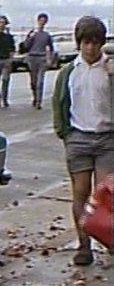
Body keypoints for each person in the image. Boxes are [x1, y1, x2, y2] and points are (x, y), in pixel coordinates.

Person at [52, 15, 113, 266]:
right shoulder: (69, 72)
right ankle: (83, 245)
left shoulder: (109, 69)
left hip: (107, 138)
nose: (90, 48)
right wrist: (65, 134)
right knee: (80, 192)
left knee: (106, 195)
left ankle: (109, 240)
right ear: (79, 44)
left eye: (95, 43)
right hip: (78, 137)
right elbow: (59, 104)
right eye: (86, 42)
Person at [24, 12, 55, 109]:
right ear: (38, 21)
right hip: (32, 57)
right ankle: (35, 96)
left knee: (40, 81)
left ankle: (38, 101)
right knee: (33, 81)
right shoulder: (32, 33)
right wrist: (30, 37)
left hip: (42, 58)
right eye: (41, 21)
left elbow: (51, 48)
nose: (42, 23)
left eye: (44, 21)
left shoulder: (47, 35)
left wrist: (49, 59)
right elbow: (26, 46)